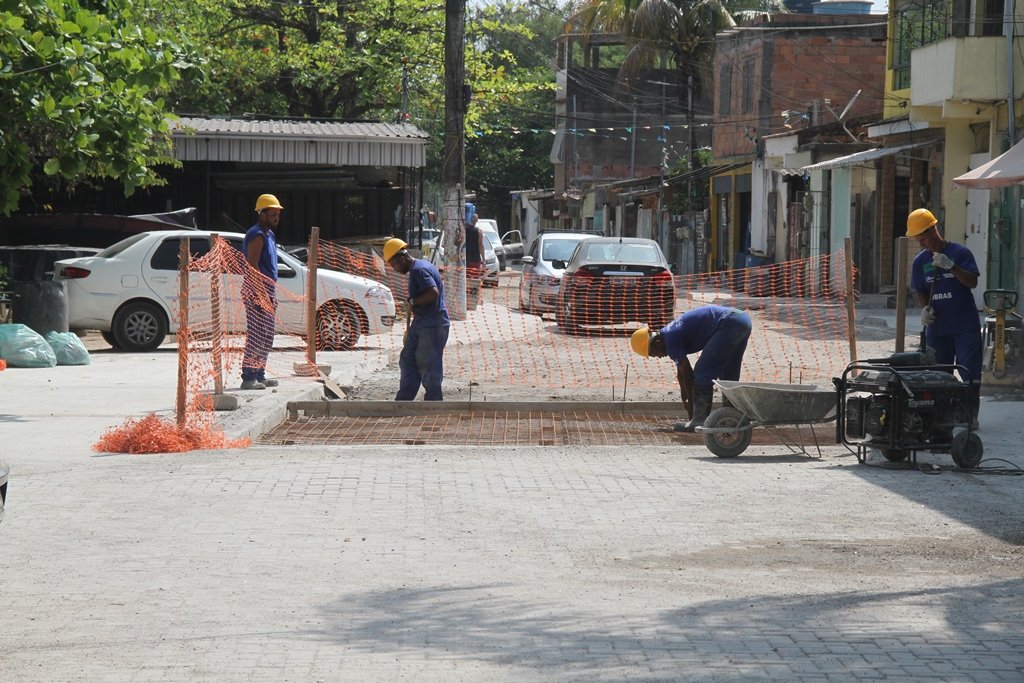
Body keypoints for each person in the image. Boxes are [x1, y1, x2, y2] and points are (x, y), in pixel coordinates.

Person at [907, 207, 983, 428]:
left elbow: (972, 282)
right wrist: (925, 309)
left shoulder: (960, 253)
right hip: (938, 329)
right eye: (918, 241)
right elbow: (919, 290)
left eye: (923, 240)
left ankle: (970, 416)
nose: (921, 245)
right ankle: (942, 418)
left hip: (964, 325)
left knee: (970, 372)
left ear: (933, 230)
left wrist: (952, 266)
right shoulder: (920, 262)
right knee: (938, 376)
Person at [630, 305, 752, 432]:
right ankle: (731, 420)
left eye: (654, 353)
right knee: (728, 374)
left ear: (657, 343)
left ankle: (700, 420)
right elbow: (681, 373)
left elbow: (688, 375)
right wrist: (684, 395)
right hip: (741, 319)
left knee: (702, 372)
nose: (659, 357)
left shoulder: (670, 339)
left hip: (728, 322)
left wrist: (692, 412)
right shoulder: (670, 333)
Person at [383, 237, 451, 401]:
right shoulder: (418, 268)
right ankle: (404, 401)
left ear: (402, 257)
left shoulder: (419, 270)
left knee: (429, 365)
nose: (395, 269)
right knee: (408, 359)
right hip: (422, 323)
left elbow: (432, 293)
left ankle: (433, 404)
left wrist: (413, 301)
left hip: (433, 325)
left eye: (395, 265)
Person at [240, 193, 283, 390]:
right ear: (262, 214)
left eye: (277, 214)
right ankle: (249, 377)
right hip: (256, 290)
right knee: (257, 333)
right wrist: (262, 294)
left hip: (267, 289)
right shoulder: (256, 234)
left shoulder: (269, 235)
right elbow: (252, 265)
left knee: (267, 335)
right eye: (272, 214)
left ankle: (259, 374)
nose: (276, 218)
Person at [464, 202, 485, 282]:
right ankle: (473, 293)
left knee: (464, 281)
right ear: (475, 220)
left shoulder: (461, 230)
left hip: (463, 260)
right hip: (474, 260)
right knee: (474, 281)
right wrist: (484, 260)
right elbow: (481, 246)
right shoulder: (479, 232)